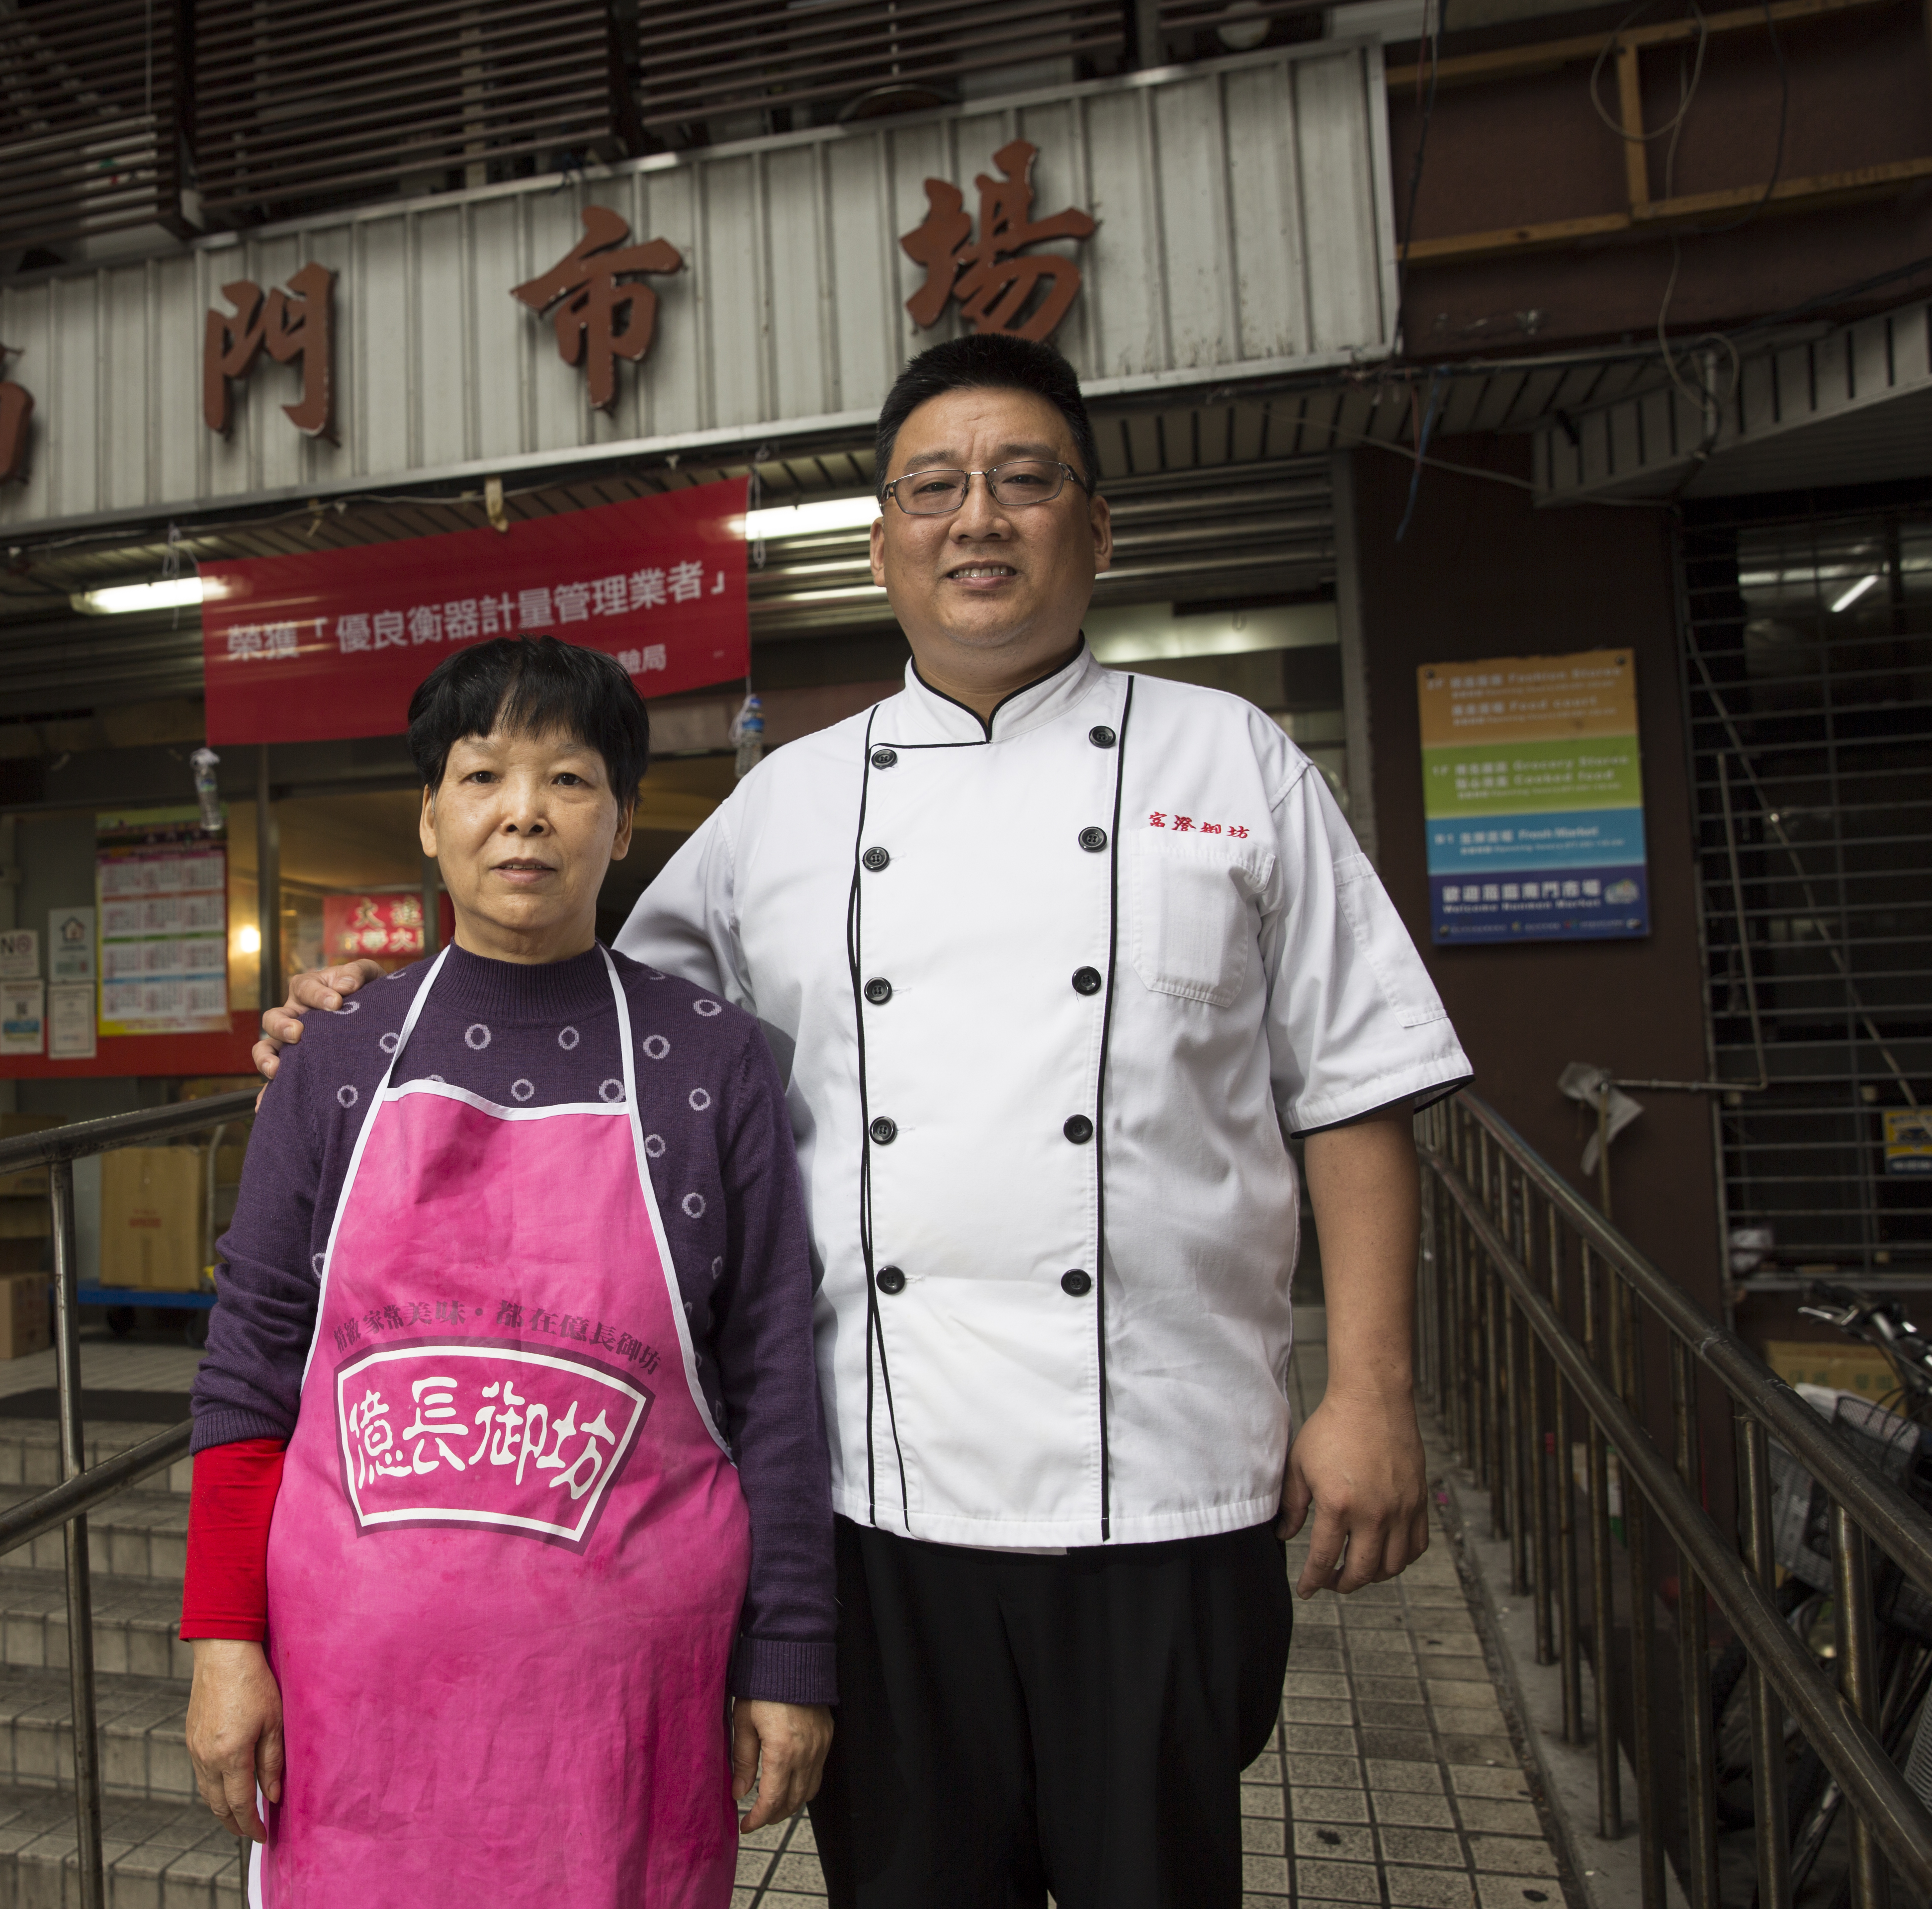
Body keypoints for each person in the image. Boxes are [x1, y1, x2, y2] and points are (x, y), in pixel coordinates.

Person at [255, 332, 1473, 1906]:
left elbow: (1356, 1086)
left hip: (1169, 1488)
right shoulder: (793, 803)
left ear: (1094, 533)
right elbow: (564, 996)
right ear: (884, 540)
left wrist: (1369, 1388)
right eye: (935, 488)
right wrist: (350, 1021)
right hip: (876, 1503)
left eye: (1026, 483)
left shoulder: (1229, 762)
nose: (980, 518)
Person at [182, 635, 836, 1909]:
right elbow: (248, 1366)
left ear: (627, 820)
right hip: (351, 1703)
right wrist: (221, 1643)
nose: (524, 812)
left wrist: (793, 1655)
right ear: (430, 819)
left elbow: (775, 1381)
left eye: (571, 779)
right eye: (483, 776)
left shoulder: (713, 1060)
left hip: (626, 1710)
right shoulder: (336, 1057)